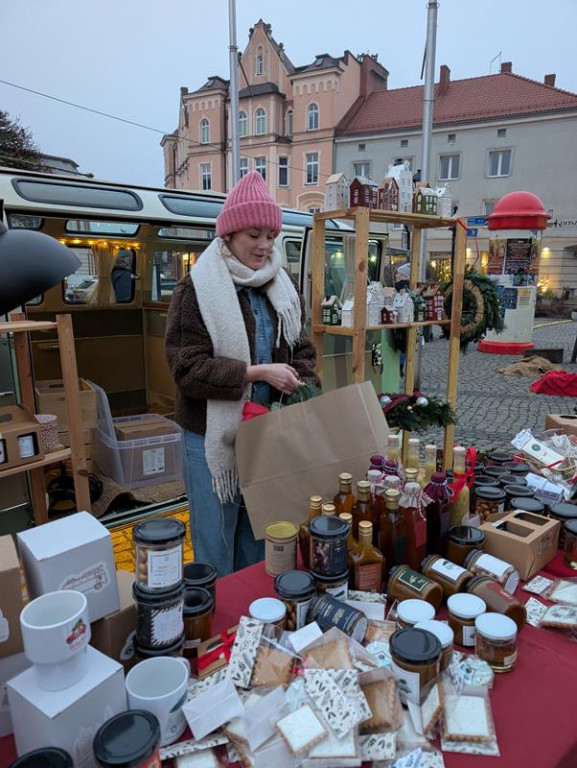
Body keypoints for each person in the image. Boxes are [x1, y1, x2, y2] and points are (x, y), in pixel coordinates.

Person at [165, 171, 320, 576]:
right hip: (210, 437)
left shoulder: (282, 286)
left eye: (270, 234)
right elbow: (187, 369)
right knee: (215, 543)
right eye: (254, 235)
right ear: (230, 234)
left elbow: (302, 349)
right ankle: (216, 628)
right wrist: (255, 373)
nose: (265, 245)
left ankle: (251, 620)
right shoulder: (195, 289)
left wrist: (300, 382)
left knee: (259, 539)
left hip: (267, 433)